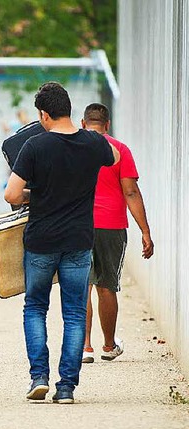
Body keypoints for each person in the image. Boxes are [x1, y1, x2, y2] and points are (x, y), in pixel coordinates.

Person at [4, 82, 120, 404]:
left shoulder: (35, 146)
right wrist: (93, 141)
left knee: (36, 307)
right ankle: (66, 387)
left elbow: (12, 194)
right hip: (79, 241)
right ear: (69, 110)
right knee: (73, 313)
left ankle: (39, 377)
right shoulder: (93, 142)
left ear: (43, 114)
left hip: (41, 240)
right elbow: (114, 156)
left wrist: (35, 194)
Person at [81, 103, 154, 363]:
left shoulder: (74, 147)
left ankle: (85, 347)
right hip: (111, 226)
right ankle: (109, 345)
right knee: (106, 286)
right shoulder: (119, 150)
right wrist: (145, 231)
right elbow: (131, 192)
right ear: (107, 125)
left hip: (78, 226)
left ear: (83, 123)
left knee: (82, 286)